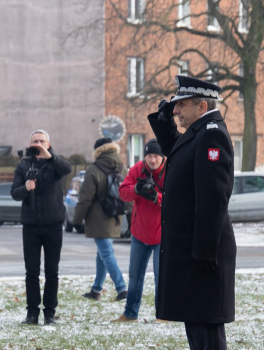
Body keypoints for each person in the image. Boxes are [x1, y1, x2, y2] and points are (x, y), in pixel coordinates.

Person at [149, 74, 236, 350]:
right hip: (194, 246)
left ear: (202, 105)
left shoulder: (212, 137)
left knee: (206, 323)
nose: (176, 111)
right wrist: (162, 123)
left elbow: (213, 199)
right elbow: (176, 149)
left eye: (180, 105)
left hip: (205, 247)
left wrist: (204, 249)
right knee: (196, 321)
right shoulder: (198, 135)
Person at [10, 129, 72, 325]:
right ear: (30, 144)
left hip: (53, 223)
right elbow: (15, 193)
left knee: (52, 270)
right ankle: (32, 313)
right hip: (31, 224)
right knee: (31, 271)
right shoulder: (23, 164)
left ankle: (50, 313)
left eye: (42, 141)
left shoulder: (55, 163)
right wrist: (25, 188)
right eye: (35, 141)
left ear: (48, 143)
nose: (38, 144)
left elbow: (67, 169)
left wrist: (50, 156)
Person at [115, 139, 165, 322]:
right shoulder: (137, 169)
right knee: (135, 276)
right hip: (140, 232)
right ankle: (130, 313)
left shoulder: (170, 170)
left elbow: (177, 199)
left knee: (162, 276)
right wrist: (137, 189)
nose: (152, 160)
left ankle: (163, 314)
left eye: (156, 156)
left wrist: (156, 197)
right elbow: (123, 192)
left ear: (162, 157)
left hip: (162, 234)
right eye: (149, 156)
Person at [74, 137, 128, 302]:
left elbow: (85, 198)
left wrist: (77, 220)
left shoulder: (93, 169)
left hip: (99, 218)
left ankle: (122, 288)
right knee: (102, 254)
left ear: (98, 151)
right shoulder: (122, 167)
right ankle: (96, 289)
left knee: (106, 253)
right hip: (115, 215)